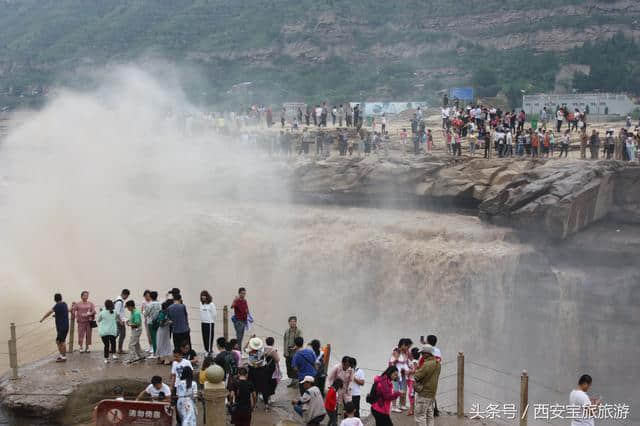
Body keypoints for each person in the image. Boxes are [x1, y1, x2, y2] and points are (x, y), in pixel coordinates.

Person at [414, 345, 441, 426]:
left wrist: (417, 369)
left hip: (424, 393)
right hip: (432, 393)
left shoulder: (426, 364)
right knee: (430, 415)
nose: (421, 355)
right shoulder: (437, 363)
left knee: (420, 415)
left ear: (427, 353)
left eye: (422, 353)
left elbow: (416, 376)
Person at [40, 293, 69, 362]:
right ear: (61, 298)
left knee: (60, 341)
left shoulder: (57, 305)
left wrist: (42, 319)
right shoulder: (64, 304)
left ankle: (63, 357)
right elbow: (64, 312)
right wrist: (56, 315)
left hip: (61, 327)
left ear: (55, 299)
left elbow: (49, 312)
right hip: (65, 326)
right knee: (61, 341)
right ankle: (62, 356)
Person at [389, 338, 412, 412]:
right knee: (395, 390)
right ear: (403, 345)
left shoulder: (406, 352)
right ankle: (394, 406)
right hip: (395, 374)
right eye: (407, 346)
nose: (408, 348)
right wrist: (397, 358)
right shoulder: (396, 350)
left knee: (403, 389)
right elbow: (393, 362)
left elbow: (408, 362)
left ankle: (402, 404)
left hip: (403, 373)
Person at [97, 299, 118, 364]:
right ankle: (114, 355)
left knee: (106, 345)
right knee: (113, 343)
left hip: (104, 332)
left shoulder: (102, 312)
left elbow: (99, 320)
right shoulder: (115, 312)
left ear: (105, 305)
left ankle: (106, 359)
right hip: (112, 331)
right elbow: (116, 318)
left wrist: (101, 311)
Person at [284, 316, 302, 387]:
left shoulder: (299, 331)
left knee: (295, 367)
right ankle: (293, 381)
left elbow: (300, 341)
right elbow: (285, 342)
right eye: (291, 322)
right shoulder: (286, 331)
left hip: (295, 353)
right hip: (288, 353)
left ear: (296, 322)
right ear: (289, 323)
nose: (292, 323)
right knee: (289, 368)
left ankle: (297, 381)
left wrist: (294, 348)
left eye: (294, 321)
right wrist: (285, 352)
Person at [143, 291, 161, 358]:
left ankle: (155, 353)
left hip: (151, 322)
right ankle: (158, 352)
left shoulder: (149, 304)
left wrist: (144, 311)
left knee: (153, 338)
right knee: (158, 337)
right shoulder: (160, 304)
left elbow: (145, 314)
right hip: (158, 322)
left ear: (150, 296)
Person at [155, 300, 173, 364]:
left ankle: (163, 358)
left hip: (166, 331)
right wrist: (168, 322)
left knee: (166, 344)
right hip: (162, 331)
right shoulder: (162, 313)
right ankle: (161, 358)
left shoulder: (166, 313)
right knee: (162, 344)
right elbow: (161, 324)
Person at [199, 290, 216, 355]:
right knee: (204, 337)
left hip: (209, 323)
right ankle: (206, 350)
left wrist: (210, 319)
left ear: (207, 296)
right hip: (203, 323)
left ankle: (209, 350)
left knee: (209, 338)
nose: (203, 297)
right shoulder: (201, 303)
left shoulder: (211, 304)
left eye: (204, 296)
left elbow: (214, 314)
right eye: (202, 296)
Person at [113, 289, 130, 354]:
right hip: (119, 320)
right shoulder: (119, 302)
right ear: (124, 294)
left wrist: (126, 320)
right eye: (127, 296)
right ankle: (119, 349)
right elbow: (117, 313)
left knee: (117, 334)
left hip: (120, 320)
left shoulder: (119, 300)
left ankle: (110, 347)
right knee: (122, 335)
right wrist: (120, 321)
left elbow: (120, 311)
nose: (126, 298)